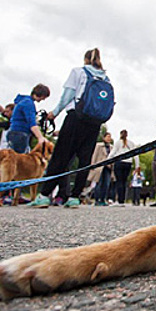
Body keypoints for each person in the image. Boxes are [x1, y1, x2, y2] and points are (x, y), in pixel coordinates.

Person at [29, 48, 110, 209]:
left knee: (61, 156)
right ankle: (74, 197)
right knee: (84, 160)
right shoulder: (105, 78)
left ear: (85, 59)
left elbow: (67, 96)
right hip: (94, 123)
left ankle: (45, 195)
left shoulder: (78, 72)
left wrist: (55, 113)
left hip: (76, 117)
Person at [7, 84, 49, 153]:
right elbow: (32, 123)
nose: (43, 99)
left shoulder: (23, 101)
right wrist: (40, 137)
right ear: (41, 94)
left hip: (13, 132)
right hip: (20, 134)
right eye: (44, 97)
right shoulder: (29, 104)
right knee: (20, 160)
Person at [107, 129, 140, 206]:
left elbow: (113, 152)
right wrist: (137, 165)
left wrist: (108, 160)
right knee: (124, 181)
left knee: (119, 181)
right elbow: (135, 154)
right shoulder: (131, 143)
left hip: (119, 162)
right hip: (128, 163)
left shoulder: (118, 143)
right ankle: (122, 200)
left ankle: (119, 200)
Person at [88, 132, 114, 206]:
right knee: (99, 183)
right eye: (108, 136)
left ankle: (103, 199)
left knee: (106, 184)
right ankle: (97, 199)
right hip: (99, 167)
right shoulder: (99, 146)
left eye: (110, 137)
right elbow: (94, 155)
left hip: (108, 167)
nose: (109, 138)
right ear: (104, 138)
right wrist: (93, 165)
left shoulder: (111, 147)